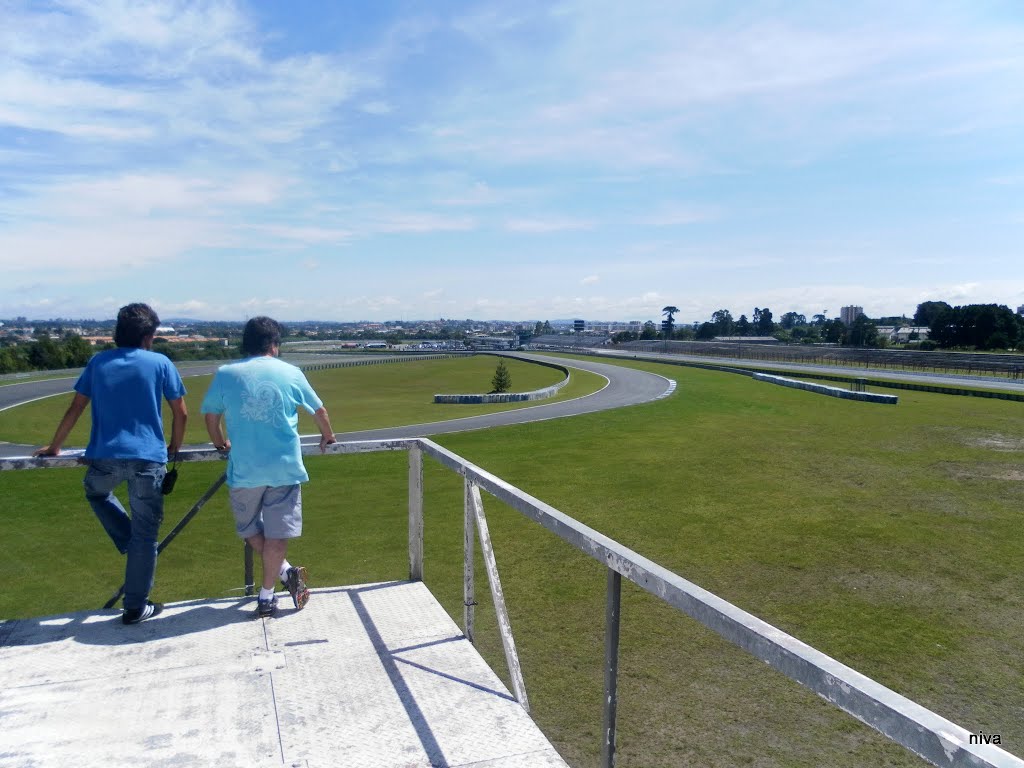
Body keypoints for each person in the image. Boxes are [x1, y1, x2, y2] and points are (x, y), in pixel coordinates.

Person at [34, 303, 187, 625]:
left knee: (97, 493)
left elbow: (76, 407)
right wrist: (174, 446)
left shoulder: (98, 362)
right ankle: (135, 605)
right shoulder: (160, 362)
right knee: (145, 538)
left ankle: (130, 543)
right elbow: (181, 412)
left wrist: (56, 446)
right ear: (148, 335)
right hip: (148, 458)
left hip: (104, 458)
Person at [200, 316, 336, 618]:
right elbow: (320, 410)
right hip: (284, 468)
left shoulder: (226, 373)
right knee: (277, 536)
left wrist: (220, 444)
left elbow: (211, 417)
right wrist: (327, 436)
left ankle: (277, 584)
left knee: (249, 530)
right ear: (274, 345)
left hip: (245, 469)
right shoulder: (291, 372)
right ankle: (272, 589)